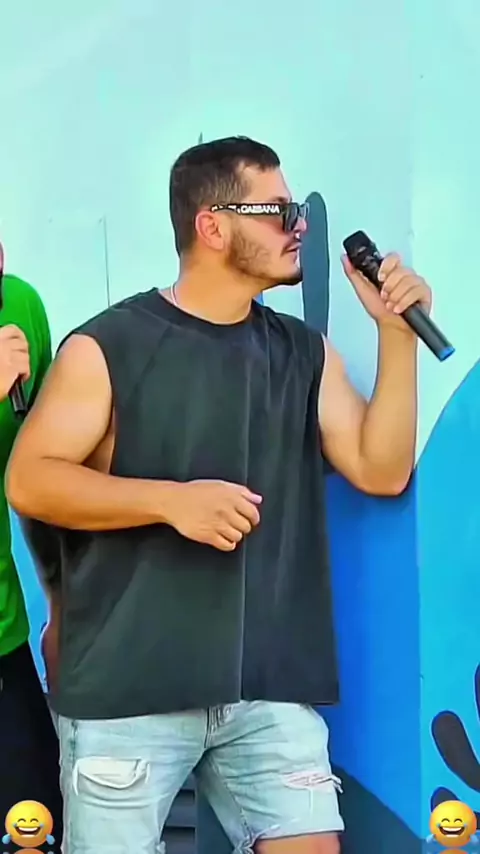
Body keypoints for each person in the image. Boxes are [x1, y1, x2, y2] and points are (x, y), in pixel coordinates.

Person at [6, 136, 432, 854]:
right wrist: (171, 501)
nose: (297, 226)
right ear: (212, 225)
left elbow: (380, 469)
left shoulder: (302, 352)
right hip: (128, 687)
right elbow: (31, 478)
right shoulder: (108, 346)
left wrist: (395, 336)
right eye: (277, 211)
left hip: (265, 685)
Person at [0, 256, 62, 844]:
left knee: (36, 830)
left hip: (4, 638)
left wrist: (60, 606)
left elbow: (34, 480)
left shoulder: (16, 305)